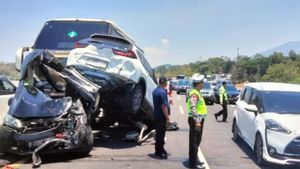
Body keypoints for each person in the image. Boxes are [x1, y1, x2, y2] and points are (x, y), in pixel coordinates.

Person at [186, 74, 207, 169]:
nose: (203, 84)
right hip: (195, 120)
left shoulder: (197, 92)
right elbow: (193, 107)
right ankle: (192, 165)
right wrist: (197, 121)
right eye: (202, 82)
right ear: (198, 83)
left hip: (198, 120)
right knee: (194, 142)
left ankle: (194, 161)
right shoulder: (194, 93)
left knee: (197, 141)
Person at [152, 76, 171, 159]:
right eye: (166, 82)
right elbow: (164, 106)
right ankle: (158, 152)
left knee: (159, 134)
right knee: (161, 135)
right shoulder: (163, 92)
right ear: (165, 83)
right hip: (161, 116)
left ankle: (161, 149)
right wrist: (167, 118)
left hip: (156, 115)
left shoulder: (155, 90)